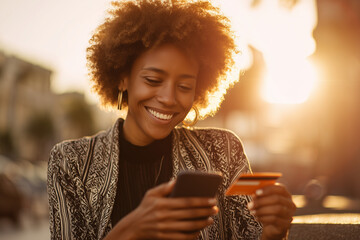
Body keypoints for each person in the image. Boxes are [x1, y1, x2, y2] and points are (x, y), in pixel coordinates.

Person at [47, 0, 296, 239]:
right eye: (153, 80)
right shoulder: (71, 162)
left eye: (185, 86)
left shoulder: (224, 151)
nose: (168, 98)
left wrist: (273, 233)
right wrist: (132, 230)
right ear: (123, 77)